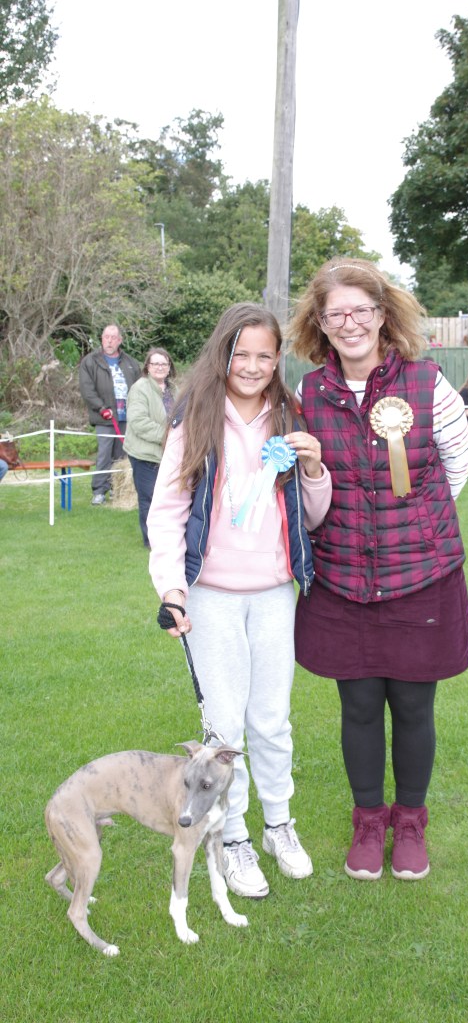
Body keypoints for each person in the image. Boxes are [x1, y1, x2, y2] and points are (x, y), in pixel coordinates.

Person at [288, 257, 468, 883]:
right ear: (320, 323)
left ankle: (411, 823)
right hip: (342, 581)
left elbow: (456, 469)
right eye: (335, 314)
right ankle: (369, 822)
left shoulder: (428, 383)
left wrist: (414, 528)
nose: (350, 324)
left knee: (415, 708)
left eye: (360, 310)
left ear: (382, 313)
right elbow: (308, 486)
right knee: (360, 708)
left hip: (420, 579)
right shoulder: (309, 394)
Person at [147, 303, 331, 900]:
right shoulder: (194, 416)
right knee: (224, 728)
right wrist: (172, 589)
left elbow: (311, 516)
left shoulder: (291, 415)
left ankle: (279, 826)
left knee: (272, 720)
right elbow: (168, 511)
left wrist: (314, 468)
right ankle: (233, 838)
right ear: (222, 353)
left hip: (276, 594)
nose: (252, 366)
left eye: (264, 356)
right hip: (212, 598)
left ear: (278, 360)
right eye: (241, 354)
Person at [79, 325, 141, 505]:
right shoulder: (90, 362)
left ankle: (118, 489)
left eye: (114, 337)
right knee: (104, 455)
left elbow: (139, 388)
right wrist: (101, 408)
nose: (109, 341)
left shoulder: (130, 362)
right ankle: (99, 491)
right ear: (102, 339)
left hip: (127, 418)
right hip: (105, 417)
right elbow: (87, 390)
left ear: (120, 340)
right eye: (107, 337)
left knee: (122, 456)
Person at [123, 347, 177, 547]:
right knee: (150, 498)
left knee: (168, 498)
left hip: (168, 454)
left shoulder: (174, 390)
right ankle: (152, 541)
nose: (160, 367)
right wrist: (168, 435)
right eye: (155, 363)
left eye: (164, 364)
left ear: (169, 367)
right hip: (144, 455)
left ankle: (168, 536)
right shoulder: (140, 388)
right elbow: (138, 422)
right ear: (147, 367)